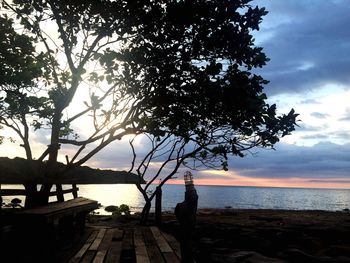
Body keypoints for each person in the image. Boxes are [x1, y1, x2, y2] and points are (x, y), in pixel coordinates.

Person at [175, 171, 198, 263]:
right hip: (188, 224)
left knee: (187, 244)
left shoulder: (188, 202)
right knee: (186, 244)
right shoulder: (186, 204)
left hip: (188, 225)